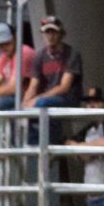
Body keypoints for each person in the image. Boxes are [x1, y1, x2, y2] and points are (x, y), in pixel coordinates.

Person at [24, 15, 83, 144]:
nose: (50, 36)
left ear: (61, 34)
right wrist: (24, 104)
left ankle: (52, 142)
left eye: (53, 32)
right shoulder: (40, 55)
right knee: (18, 112)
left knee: (42, 104)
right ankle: (37, 145)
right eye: (47, 32)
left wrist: (37, 99)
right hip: (49, 98)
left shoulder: (71, 53)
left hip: (69, 98)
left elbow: (64, 87)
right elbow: (33, 86)